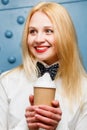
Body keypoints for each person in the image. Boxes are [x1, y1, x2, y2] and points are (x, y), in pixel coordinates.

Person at [0, 1, 87, 130]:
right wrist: (27, 126)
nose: (38, 39)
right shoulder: (6, 81)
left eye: (49, 31)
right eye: (33, 31)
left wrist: (58, 126)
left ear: (65, 35)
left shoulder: (84, 87)